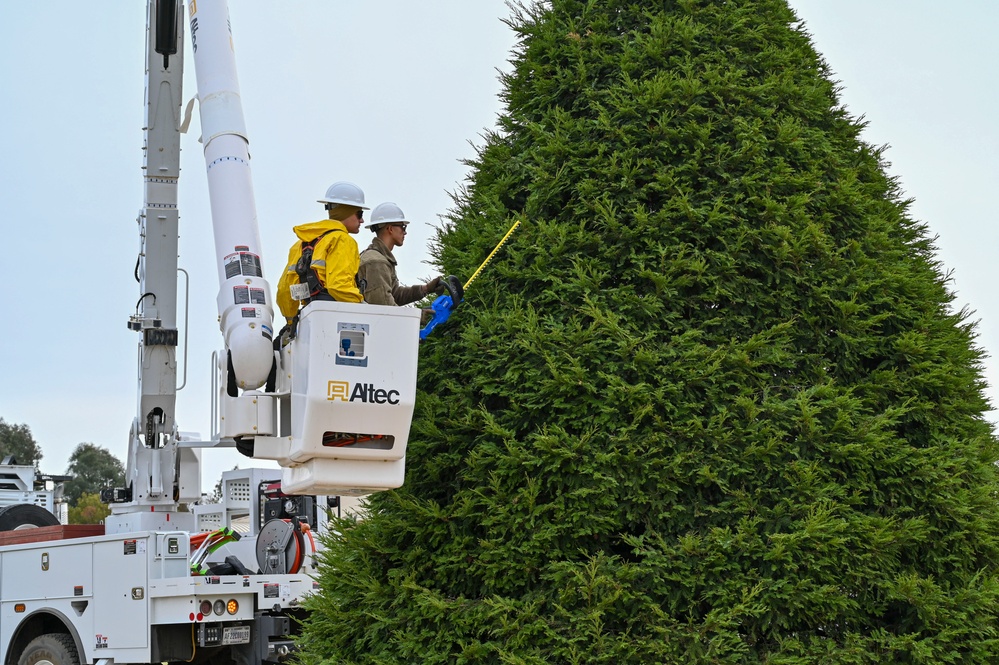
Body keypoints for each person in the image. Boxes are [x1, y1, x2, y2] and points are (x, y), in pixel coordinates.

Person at [276, 181, 368, 325]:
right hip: (336, 317)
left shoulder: (300, 244)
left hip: (309, 317)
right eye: (359, 214)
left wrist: (291, 322)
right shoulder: (342, 240)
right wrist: (364, 308)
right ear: (346, 212)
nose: (362, 220)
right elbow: (339, 286)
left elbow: (284, 291)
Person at [357, 202, 444, 306]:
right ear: (390, 229)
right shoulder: (376, 261)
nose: (405, 232)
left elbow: (395, 295)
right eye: (403, 227)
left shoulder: (380, 258)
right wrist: (415, 317)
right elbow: (383, 307)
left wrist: (425, 289)